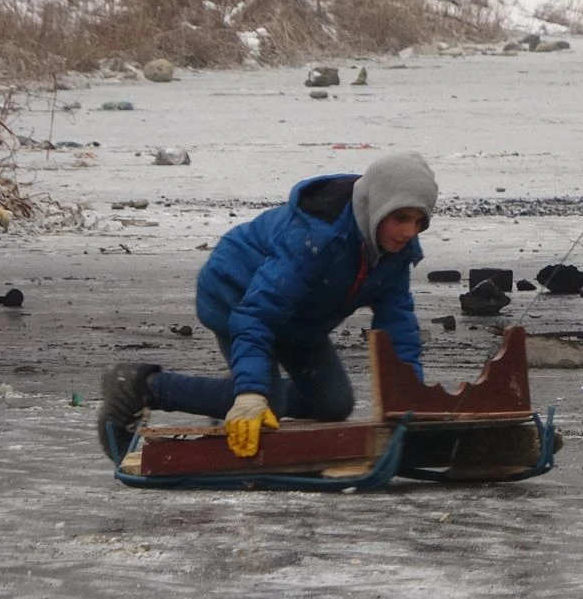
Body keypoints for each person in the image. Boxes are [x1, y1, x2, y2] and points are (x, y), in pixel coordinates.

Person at [96, 152, 438, 461]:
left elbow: (398, 329)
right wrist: (249, 395)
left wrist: (409, 399)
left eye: (419, 222)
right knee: (263, 401)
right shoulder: (315, 238)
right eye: (402, 218)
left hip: (301, 319)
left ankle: (235, 392)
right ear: (376, 204)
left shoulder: (395, 254)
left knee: (334, 404)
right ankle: (143, 386)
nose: (410, 231)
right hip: (235, 296)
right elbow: (255, 315)